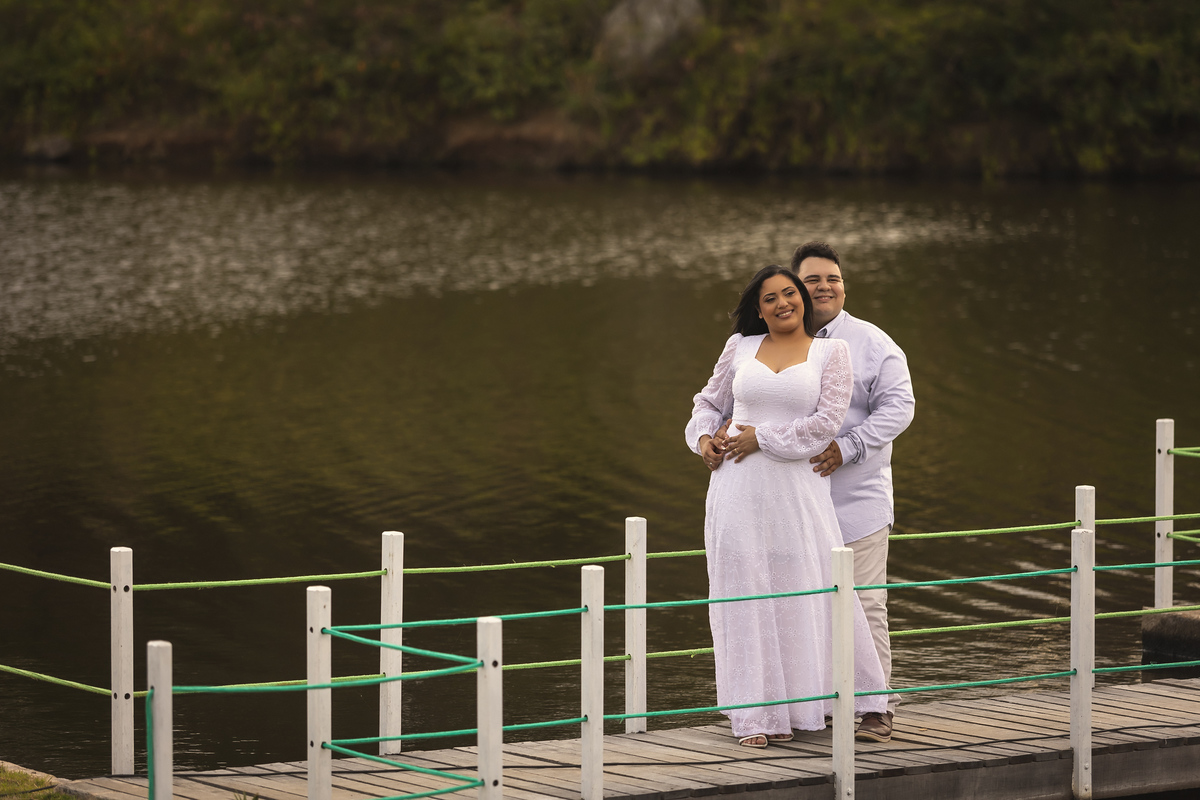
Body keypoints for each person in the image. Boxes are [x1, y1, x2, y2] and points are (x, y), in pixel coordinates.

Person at [685, 264, 887, 748]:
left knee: (809, 588)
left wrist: (763, 439)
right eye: (770, 297)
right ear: (758, 308)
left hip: (798, 490)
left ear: (804, 300)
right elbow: (707, 403)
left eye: (790, 293)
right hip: (736, 490)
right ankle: (756, 717)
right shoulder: (740, 347)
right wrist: (704, 440)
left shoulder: (831, 352)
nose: (783, 303)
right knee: (745, 593)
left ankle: (822, 705)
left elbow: (826, 424)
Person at [792, 240, 916, 744]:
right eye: (814, 279)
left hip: (856, 499)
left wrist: (850, 446)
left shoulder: (873, 343)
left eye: (833, 279)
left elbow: (899, 407)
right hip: (795, 501)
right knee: (807, 603)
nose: (825, 287)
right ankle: (817, 704)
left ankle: (877, 707)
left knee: (864, 603)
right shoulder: (775, 340)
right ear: (795, 287)